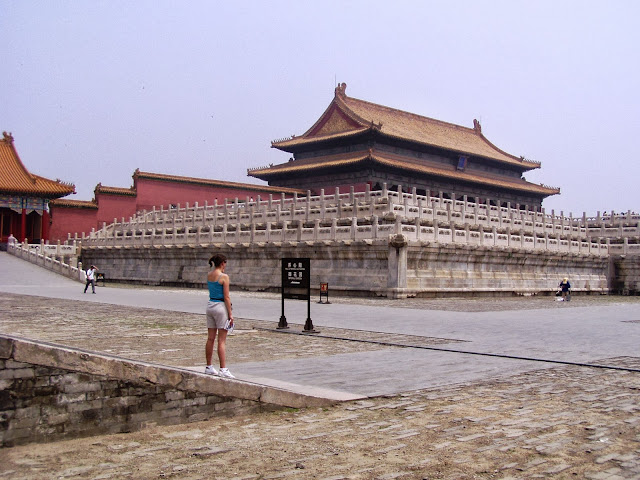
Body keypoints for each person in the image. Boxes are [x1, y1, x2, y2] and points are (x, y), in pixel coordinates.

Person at [204, 254, 235, 378]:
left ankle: (209, 366)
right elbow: (226, 297)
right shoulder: (224, 277)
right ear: (222, 263)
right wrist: (230, 314)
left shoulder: (209, 275)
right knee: (221, 340)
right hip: (220, 306)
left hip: (210, 304)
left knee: (210, 338)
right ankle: (223, 368)